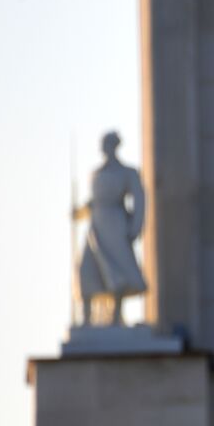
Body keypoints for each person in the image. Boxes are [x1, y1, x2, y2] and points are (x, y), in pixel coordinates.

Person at [76, 131, 147, 325]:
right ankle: (87, 319)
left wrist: (136, 226)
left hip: (115, 224)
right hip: (96, 225)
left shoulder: (127, 172)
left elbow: (139, 199)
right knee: (87, 269)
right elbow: (94, 201)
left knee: (117, 269)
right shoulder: (96, 173)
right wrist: (81, 211)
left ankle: (116, 316)